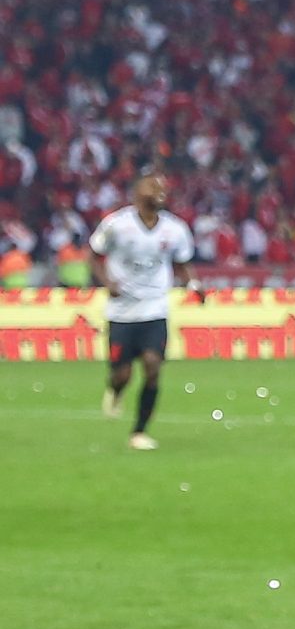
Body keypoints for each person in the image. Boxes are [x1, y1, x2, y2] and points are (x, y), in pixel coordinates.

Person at [92, 169, 195, 452]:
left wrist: (193, 284)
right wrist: (106, 282)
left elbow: (182, 262)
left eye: (162, 188)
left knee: (152, 368)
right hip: (121, 312)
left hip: (154, 308)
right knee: (121, 375)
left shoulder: (175, 229)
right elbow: (95, 255)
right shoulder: (116, 225)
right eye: (153, 187)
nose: (159, 191)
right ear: (138, 193)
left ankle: (139, 432)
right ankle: (114, 391)